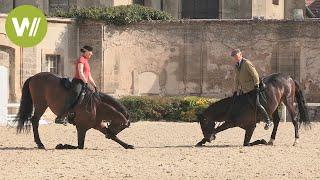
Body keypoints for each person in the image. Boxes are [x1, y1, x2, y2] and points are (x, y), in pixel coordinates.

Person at [231, 49, 273, 130]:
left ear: (240, 55)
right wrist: (235, 90)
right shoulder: (236, 65)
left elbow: (255, 75)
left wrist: (256, 86)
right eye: (234, 57)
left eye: (236, 56)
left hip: (252, 88)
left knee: (257, 104)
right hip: (244, 90)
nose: (235, 58)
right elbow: (237, 79)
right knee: (243, 105)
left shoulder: (246, 63)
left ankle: (268, 121)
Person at [55, 45, 98, 125]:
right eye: (90, 52)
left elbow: (89, 75)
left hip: (83, 82)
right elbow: (80, 72)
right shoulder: (81, 59)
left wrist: (94, 85)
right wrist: (85, 82)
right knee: (74, 97)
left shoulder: (86, 61)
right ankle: (60, 117)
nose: (91, 54)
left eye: (91, 53)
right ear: (85, 52)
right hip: (77, 82)